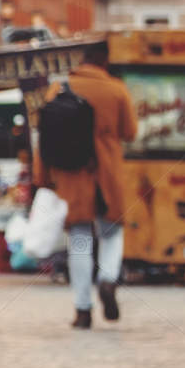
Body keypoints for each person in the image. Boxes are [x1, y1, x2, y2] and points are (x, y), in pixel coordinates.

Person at [36, 48, 138, 329]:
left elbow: (44, 136)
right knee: (112, 233)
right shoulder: (116, 89)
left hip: (72, 176)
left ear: (81, 61)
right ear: (105, 61)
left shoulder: (58, 88)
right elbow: (130, 131)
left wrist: (42, 176)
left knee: (79, 242)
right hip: (107, 174)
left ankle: (82, 310)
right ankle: (108, 279)